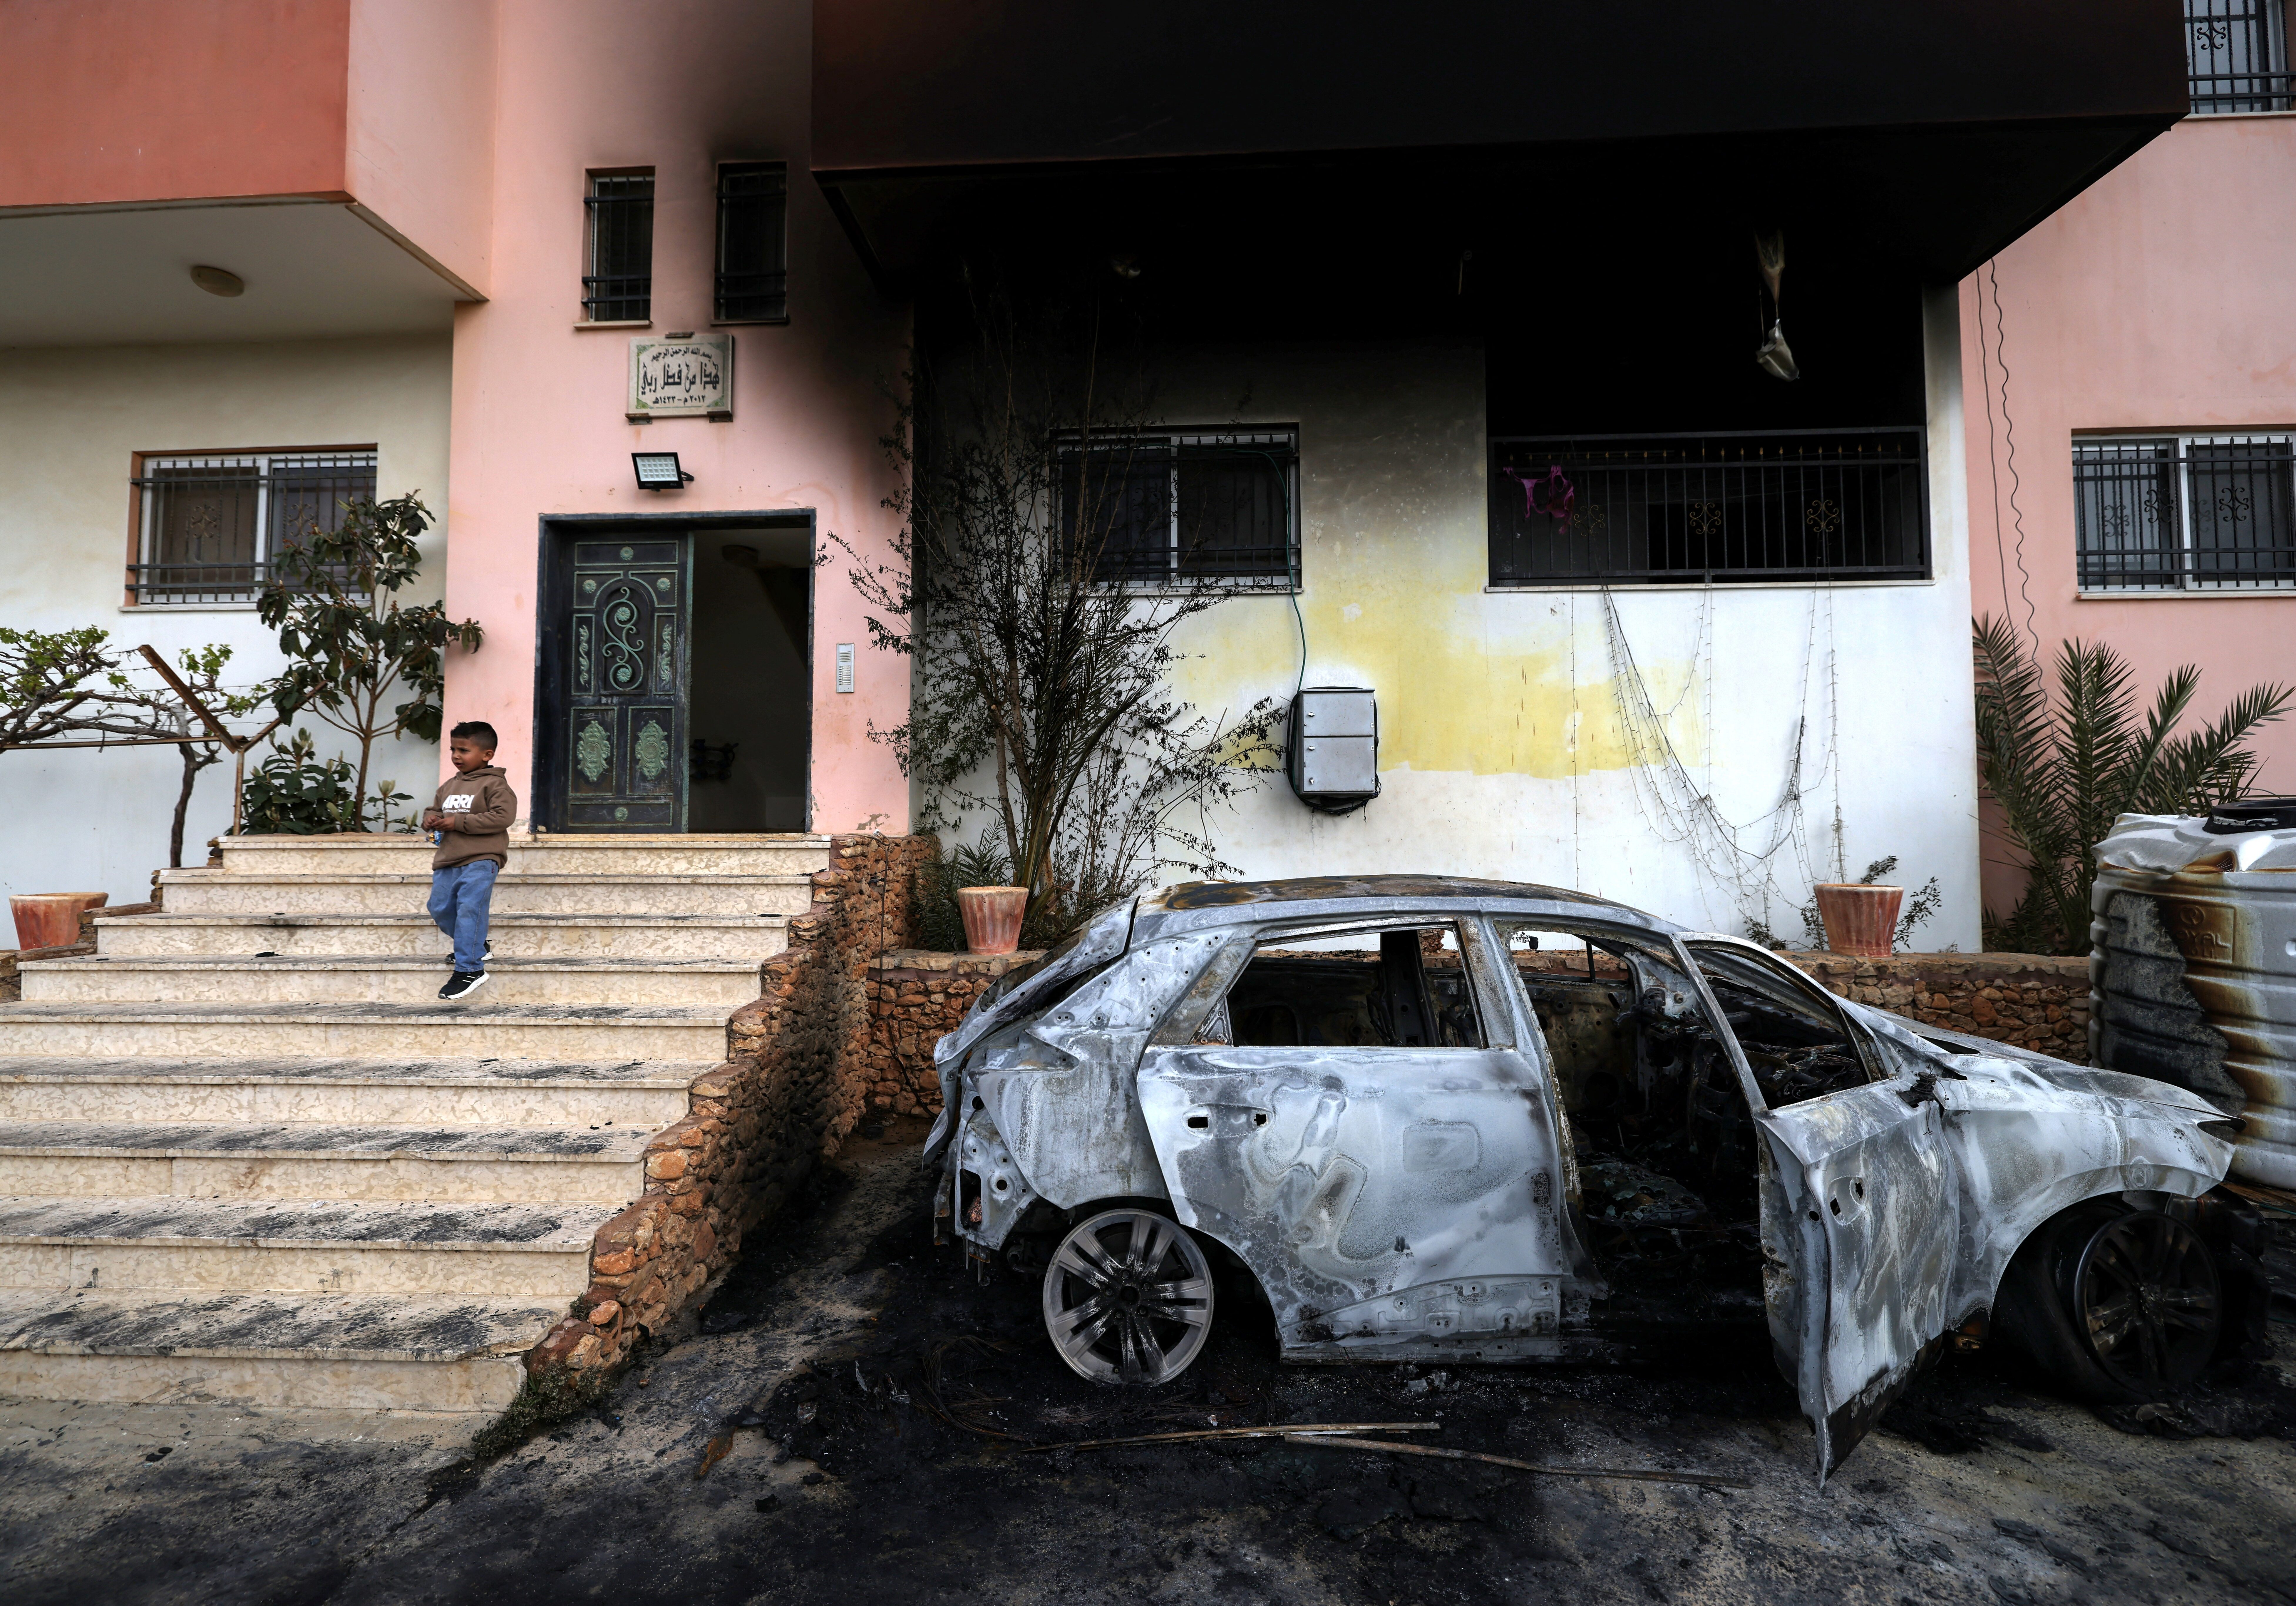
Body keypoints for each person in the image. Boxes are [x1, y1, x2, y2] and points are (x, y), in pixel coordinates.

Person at [423, 721, 516, 1001]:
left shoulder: (495, 785)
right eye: (453, 749)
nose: (456, 755)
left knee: (469, 909)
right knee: (439, 907)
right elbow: (435, 808)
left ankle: (470, 969)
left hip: (482, 858)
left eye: (464, 750)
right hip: (449, 859)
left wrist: (459, 822)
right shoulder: (449, 785)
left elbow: (503, 817)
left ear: (487, 755)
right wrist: (430, 818)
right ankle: (477, 946)